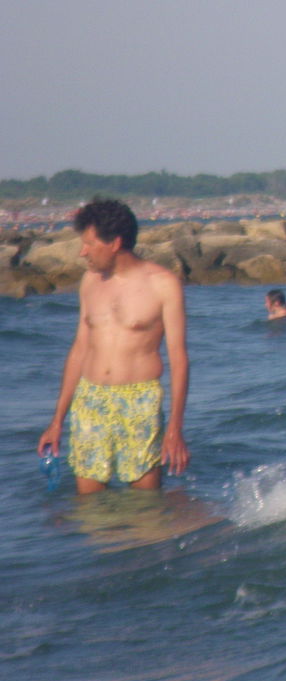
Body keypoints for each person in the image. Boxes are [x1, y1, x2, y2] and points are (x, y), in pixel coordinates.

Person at [37, 198, 190, 493]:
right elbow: (80, 348)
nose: (83, 252)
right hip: (89, 399)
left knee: (145, 507)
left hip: (140, 400)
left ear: (115, 243)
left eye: (89, 244)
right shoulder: (89, 281)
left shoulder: (163, 284)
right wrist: (57, 420)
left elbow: (179, 358)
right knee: (90, 506)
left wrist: (175, 428)